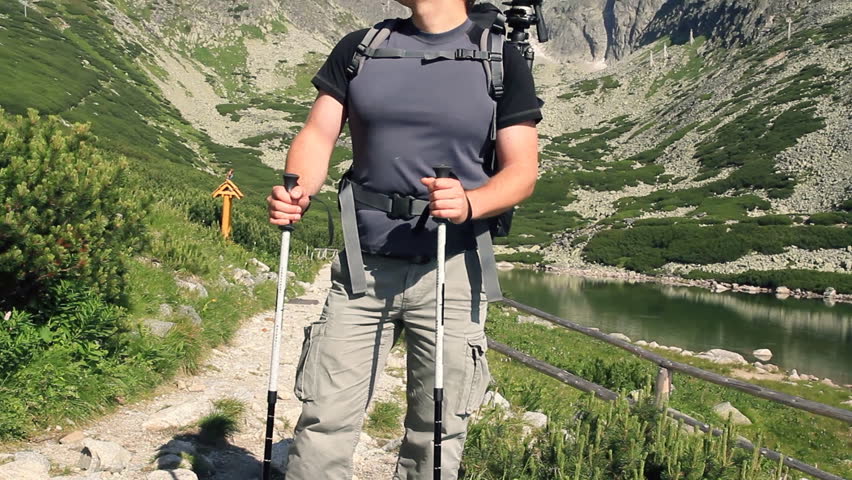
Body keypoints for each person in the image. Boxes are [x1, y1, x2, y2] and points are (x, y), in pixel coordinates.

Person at [267, 0, 541, 477]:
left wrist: (471, 203)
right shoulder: (361, 49)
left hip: (453, 266)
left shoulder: (500, 57)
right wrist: (298, 188)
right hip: (363, 266)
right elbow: (318, 133)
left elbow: (522, 171)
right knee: (323, 417)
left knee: (438, 427)